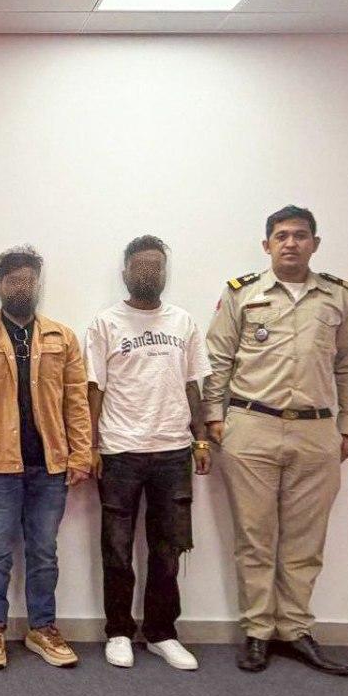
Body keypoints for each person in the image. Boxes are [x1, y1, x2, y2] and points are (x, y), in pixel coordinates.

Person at [204, 205, 348, 676]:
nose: (290, 243)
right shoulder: (241, 293)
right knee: (254, 537)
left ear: (315, 243)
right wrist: (213, 417)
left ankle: (294, 630)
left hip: (317, 431)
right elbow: (217, 360)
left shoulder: (338, 296)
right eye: (281, 236)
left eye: (300, 235)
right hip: (251, 426)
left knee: (305, 541)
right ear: (267, 245)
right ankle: (258, 630)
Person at [0, 245, 92, 670]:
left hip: (50, 464)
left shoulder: (61, 337)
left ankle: (42, 628)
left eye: (28, 279)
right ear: (0, 286)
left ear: (37, 284)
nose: (21, 286)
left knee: (44, 551)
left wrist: (81, 453)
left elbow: (76, 402)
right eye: (13, 280)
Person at [84, 235, 211, 672]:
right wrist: (91, 445)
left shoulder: (183, 321)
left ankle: (161, 633)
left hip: (173, 450)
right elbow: (94, 388)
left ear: (164, 272)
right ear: (125, 272)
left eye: (156, 266)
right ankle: (118, 631)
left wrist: (200, 439)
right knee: (117, 550)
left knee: (168, 549)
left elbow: (193, 384)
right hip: (119, 450)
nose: (148, 272)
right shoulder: (105, 323)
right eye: (140, 266)